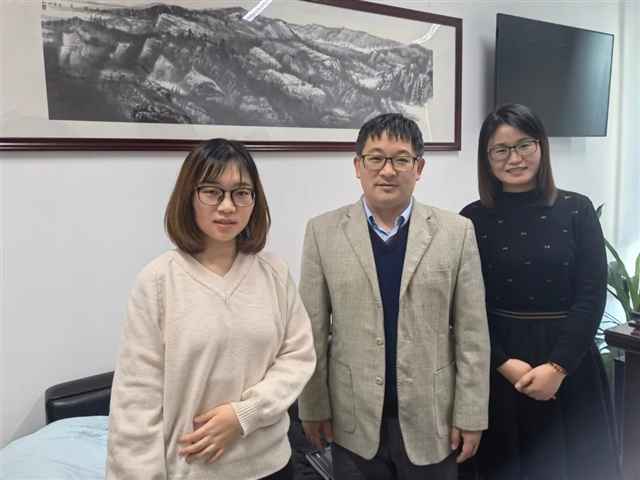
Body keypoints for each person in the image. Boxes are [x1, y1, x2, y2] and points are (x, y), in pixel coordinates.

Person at [106, 139, 316, 480]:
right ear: (189, 196)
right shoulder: (158, 281)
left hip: (272, 465)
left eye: (241, 193)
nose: (227, 206)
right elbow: (136, 401)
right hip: (191, 471)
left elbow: (298, 355)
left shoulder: (274, 272)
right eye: (212, 192)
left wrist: (245, 414)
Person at [296, 113, 491, 480]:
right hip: (352, 420)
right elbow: (312, 332)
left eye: (401, 159)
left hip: (433, 420)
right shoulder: (323, 232)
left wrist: (471, 414)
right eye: (376, 158)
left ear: (419, 168)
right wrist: (312, 407)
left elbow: (472, 335)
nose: (387, 170)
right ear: (358, 165)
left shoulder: (456, 232)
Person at [459, 103, 621, 480]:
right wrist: (503, 363)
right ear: (486, 158)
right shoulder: (470, 219)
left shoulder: (577, 210)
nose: (514, 158)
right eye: (500, 150)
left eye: (524, 145)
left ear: (541, 146)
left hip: (570, 363)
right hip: (500, 368)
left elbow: (591, 294)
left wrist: (558, 367)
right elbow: (465, 306)